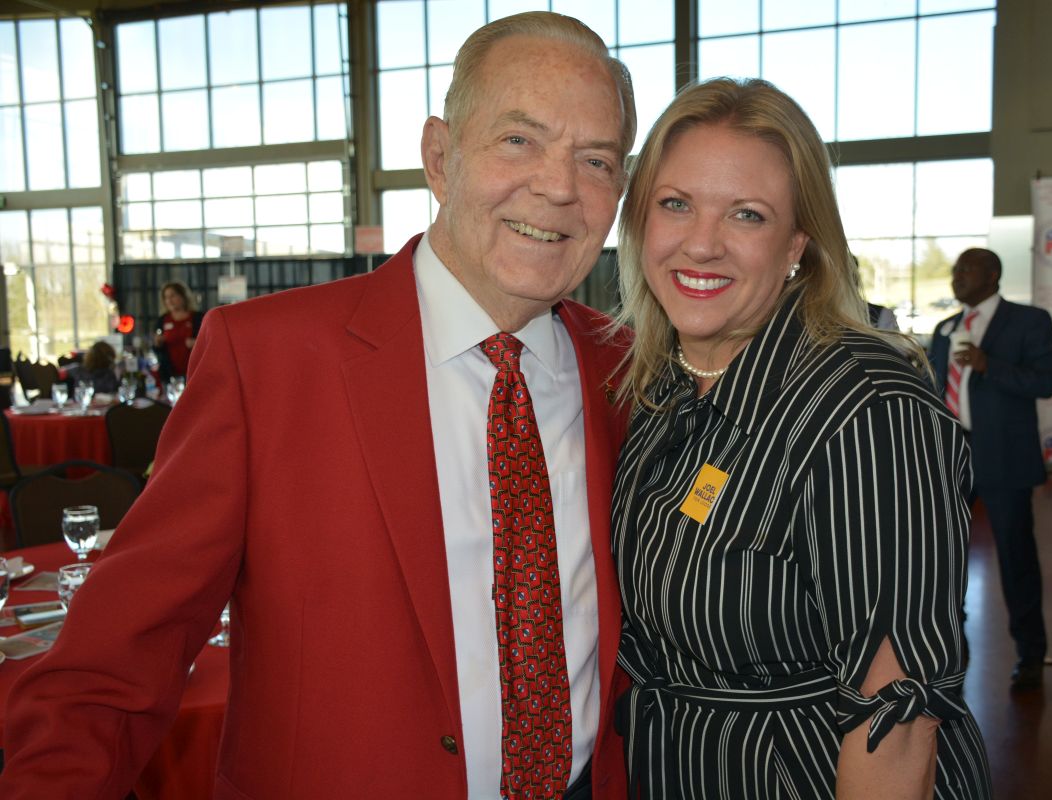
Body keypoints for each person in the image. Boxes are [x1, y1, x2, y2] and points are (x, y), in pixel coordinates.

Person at [0, 12, 636, 799]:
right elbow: (116, 658)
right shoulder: (264, 360)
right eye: (519, 139)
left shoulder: (625, 370)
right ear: (440, 158)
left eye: (596, 159)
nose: (559, 187)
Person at [610, 78, 991, 798]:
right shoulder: (661, 386)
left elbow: (897, 723)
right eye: (676, 203)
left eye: (746, 215)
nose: (701, 243)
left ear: (797, 243)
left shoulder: (865, 407)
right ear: (639, 221)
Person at [929, 247, 1052, 690]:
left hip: (1005, 459)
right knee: (944, 557)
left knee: (1015, 557)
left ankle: (1031, 654)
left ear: (993, 274)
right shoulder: (946, 328)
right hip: (951, 457)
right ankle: (952, 641)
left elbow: (1046, 382)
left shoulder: (1029, 321)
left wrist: (990, 366)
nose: (956, 276)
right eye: (955, 269)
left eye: (966, 269)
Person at [153, 281, 203, 381]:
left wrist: (197, 344)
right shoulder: (162, 320)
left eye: (172, 296)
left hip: (195, 372)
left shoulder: (198, 318)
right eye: (166, 297)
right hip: (169, 374)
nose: (169, 300)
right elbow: (157, 350)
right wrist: (157, 343)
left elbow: (210, 343)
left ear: (183, 296)